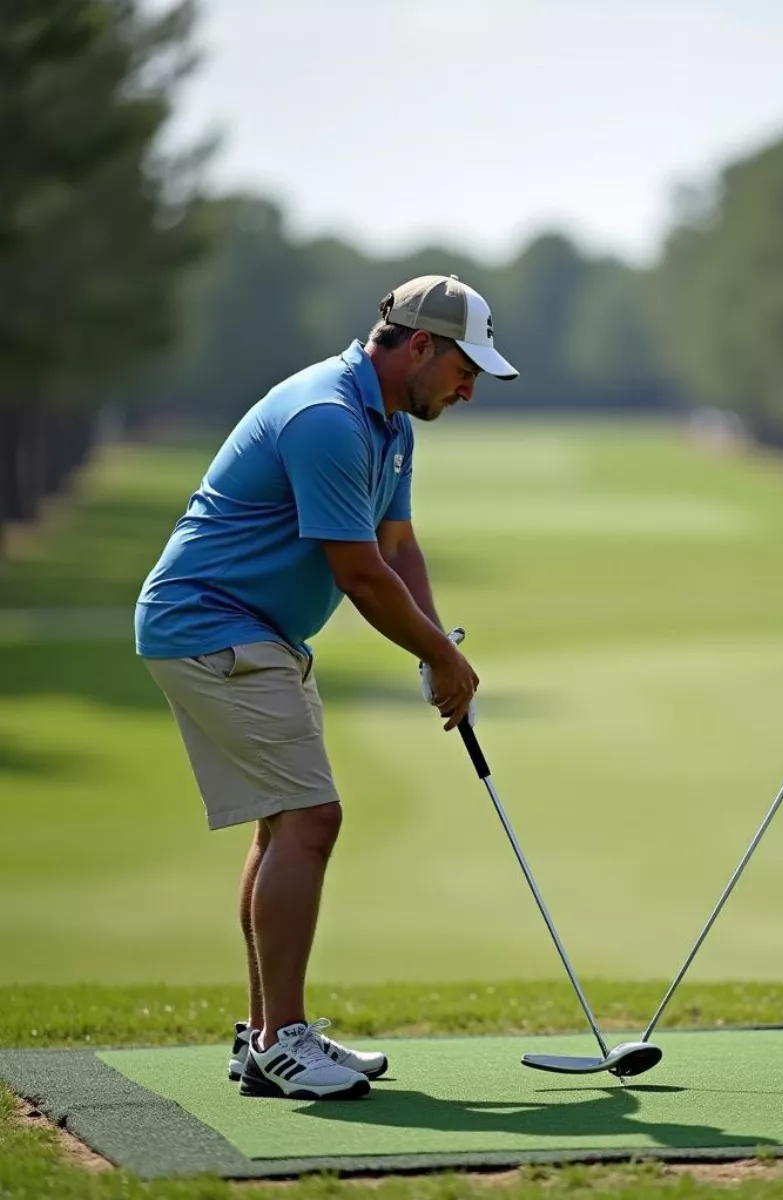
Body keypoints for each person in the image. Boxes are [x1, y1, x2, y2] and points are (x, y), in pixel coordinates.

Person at [135, 274, 518, 1100]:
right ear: (420, 345)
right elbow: (359, 574)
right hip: (213, 624)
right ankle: (283, 1039)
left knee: (286, 822)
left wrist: (435, 645)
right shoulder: (328, 419)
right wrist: (445, 663)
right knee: (311, 818)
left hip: (249, 631)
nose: (470, 389)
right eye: (465, 369)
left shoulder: (387, 425)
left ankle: (264, 1039)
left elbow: (399, 547)